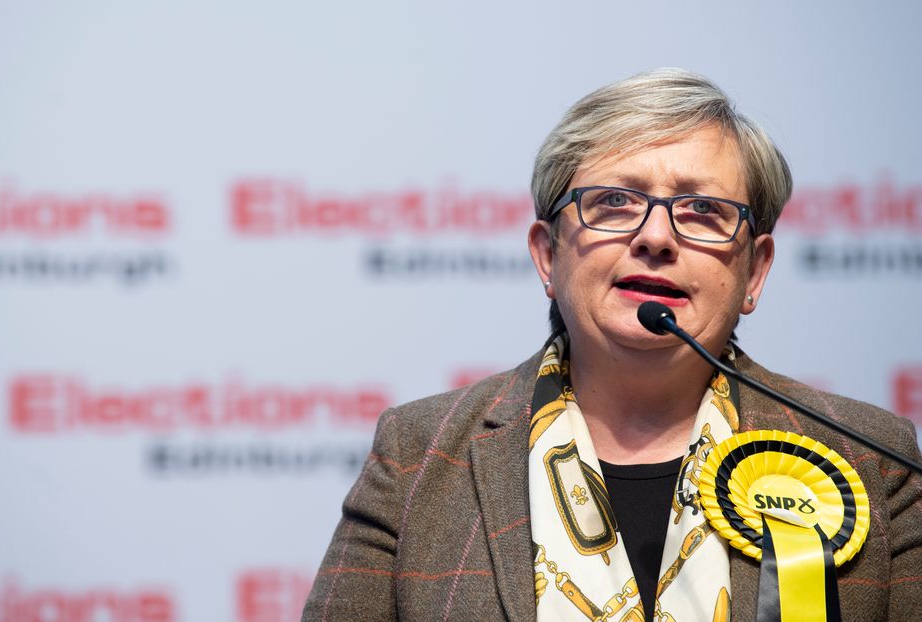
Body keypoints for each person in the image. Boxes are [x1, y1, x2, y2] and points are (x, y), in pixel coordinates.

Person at [302, 68, 922, 621]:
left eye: (703, 209)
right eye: (615, 202)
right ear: (548, 255)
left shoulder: (873, 461)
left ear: (754, 272)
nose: (656, 237)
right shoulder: (420, 455)